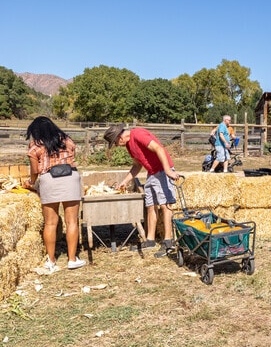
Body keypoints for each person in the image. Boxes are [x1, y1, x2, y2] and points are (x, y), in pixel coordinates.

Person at [103, 124, 180, 257]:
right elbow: (137, 165)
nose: (116, 145)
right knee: (150, 206)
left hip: (162, 171)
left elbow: (159, 149)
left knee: (165, 205)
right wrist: (124, 181)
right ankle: (150, 240)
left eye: (115, 142)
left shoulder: (138, 134)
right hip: (152, 173)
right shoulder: (128, 145)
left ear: (119, 137)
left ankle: (168, 241)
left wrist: (168, 170)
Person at [22, 116, 86, 272]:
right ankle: (72, 259)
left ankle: (51, 261)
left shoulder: (35, 146)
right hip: (70, 177)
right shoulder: (68, 140)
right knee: (72, 221)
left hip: (49, 179)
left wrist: (31, 183)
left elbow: (35, 171)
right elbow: (72, 156)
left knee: (50, 222)